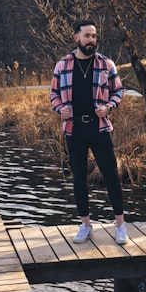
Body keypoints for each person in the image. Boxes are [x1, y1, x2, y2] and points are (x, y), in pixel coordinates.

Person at [50, 20, 128, 244]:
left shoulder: (106, 64)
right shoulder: (63, 65)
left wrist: (109, 107)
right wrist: (60, 109)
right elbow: (53, 94)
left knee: (111, 175)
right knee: (79, 179)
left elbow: (119, 91)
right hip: (74, 129)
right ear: (76, 38)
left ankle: (120, 225)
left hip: (99, 127)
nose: (91, 40)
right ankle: (85, 225)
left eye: (94, 36)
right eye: (87, 36)